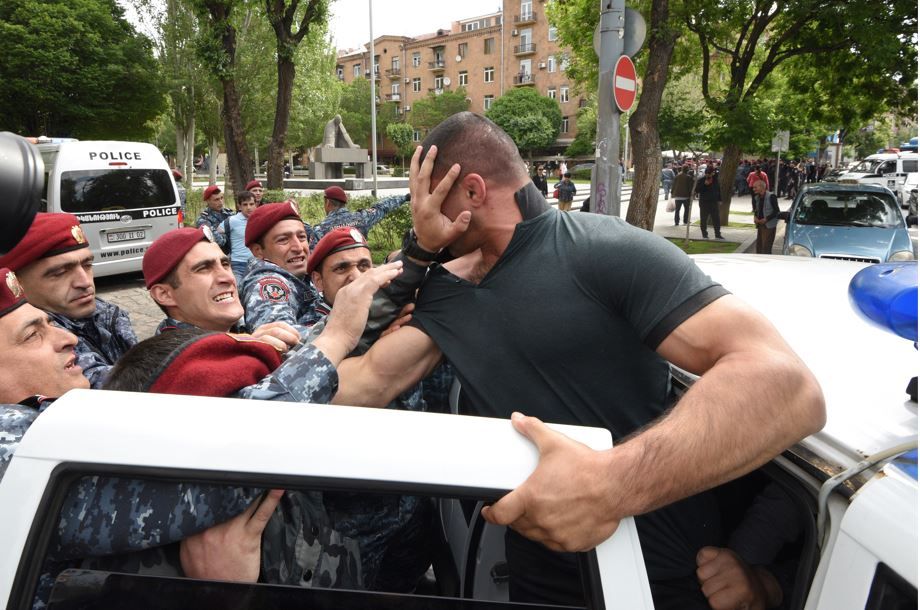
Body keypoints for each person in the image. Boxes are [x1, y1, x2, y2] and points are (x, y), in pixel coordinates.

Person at [333, 112, 824, 609]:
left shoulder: (603, 248)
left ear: (473, 192)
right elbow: (359, 384)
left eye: (427, 195)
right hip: (539, 579)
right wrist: (417, 254)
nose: (419, 210)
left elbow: (788, 386)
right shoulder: (446, 287)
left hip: (660, 578)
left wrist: (609, 484)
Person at [0, 267, 293, 607]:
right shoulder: (15, 444)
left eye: (49, 323)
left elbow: (135, 378)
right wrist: (333, 344)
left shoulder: (56, 405)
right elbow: (209, 483)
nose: (68, 338)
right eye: (32, 335)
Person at [305, 227, 434, 592]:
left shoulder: (406, 321)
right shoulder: (311, 339)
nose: (357, 276)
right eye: (341, 267)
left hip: (411, 507)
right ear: (317, 281)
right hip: (349, 522)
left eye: (365, 264)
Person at [0, 213, 137, 388]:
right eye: (60, 272)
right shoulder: (27, 344)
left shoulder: (106, 313)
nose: (85, 282)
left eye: (87, 265)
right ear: (16, 283)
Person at [143, 226, 299, 352]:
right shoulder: (176, 362)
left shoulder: (236, 334)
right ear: (164, 294)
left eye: (225, 265)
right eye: (203, 268)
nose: (227, 278)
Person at [239, 202, 320, 336]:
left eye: (301, 237)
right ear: (258, 251)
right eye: (283, 240)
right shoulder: (267, 283)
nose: (298, 247)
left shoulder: (298, 274)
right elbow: (281, 338)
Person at [309, 186, 409, 248]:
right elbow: (383, 207)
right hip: (361, 271)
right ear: (344, 203)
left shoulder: (320, 230)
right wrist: (405, 197)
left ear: (328, 203)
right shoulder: (362, 218)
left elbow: (313, 258)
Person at [217, 190, 257, 282]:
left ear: (256, 205)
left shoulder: (260, 219)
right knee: (237, 291)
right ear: (239, 206)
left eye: (251, 204)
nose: (249, 207)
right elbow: (216, 234)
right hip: (238, 264)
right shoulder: (232, 221)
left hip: (257, 263)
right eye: (245, 204)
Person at [196, 185, 233, 250]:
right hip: (217, 255)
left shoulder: (229, 213)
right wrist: (230, 233)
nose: (221, 202)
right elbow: (220, 242)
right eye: (216, 200)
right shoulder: (203, 219)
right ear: (208, 201)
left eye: (222, 198)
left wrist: (222, 232)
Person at [752, 180, 780, 254]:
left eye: (755, 187)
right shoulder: (756, 197)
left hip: (769, 226)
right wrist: (755, 217)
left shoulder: (771, 196)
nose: (753, 189)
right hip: (760, 225)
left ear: (762, 187)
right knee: (759, 247)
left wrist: (766, 219)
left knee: (766, 248)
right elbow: (756, 210)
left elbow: (777, 211)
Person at [696, 167, 724, 239]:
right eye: (707, 174)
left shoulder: (715, 180)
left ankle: (717, 234)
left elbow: (718, 190)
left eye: (710, 174)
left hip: (714, 202)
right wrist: (704, 185)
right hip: (704, 202)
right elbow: (697, 190)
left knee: (716, 219)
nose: (709, 176)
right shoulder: (701, 180)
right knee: (703, 219)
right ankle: (704, 234)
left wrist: (720, 199)